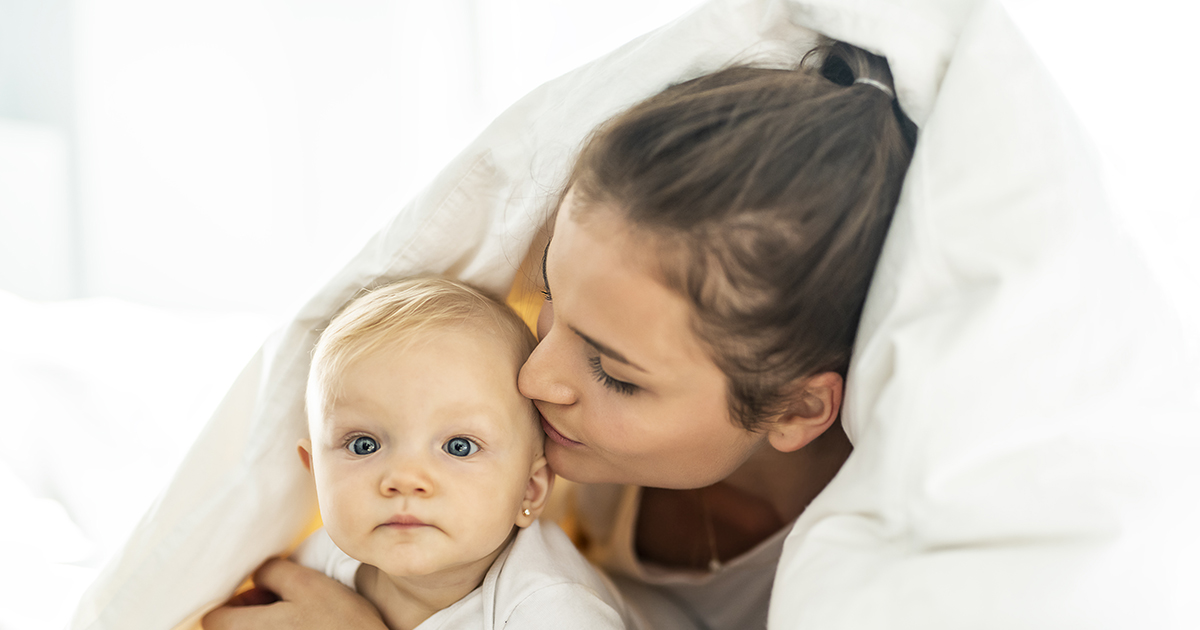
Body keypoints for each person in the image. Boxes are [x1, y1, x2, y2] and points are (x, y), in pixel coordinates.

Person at [203, 39, 915, 630]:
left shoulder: (871, 569)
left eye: (614, 372)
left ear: (794, 408)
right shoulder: (540, 437)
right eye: (549, 295)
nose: (536, 376)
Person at [214, 277, 629, 630]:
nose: (405, 478)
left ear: (531, 490)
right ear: (314, 471)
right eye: (364, 445)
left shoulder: (551, 610)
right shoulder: (326, 560)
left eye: (458, 447)